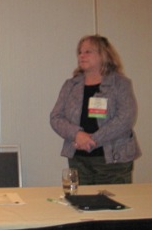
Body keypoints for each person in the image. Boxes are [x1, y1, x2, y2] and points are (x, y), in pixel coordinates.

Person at [50, 35, 141, 185]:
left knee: (112, 204)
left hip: (114, 161)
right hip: (79, 160)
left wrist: (93, 140)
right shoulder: (71, 85)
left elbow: (126, 118)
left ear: (103, 54)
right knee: (81, 205)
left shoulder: (120, 83)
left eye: (88, 51)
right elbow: (56, 117)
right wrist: (77, 134)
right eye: (80, 52)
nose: (82, 56)